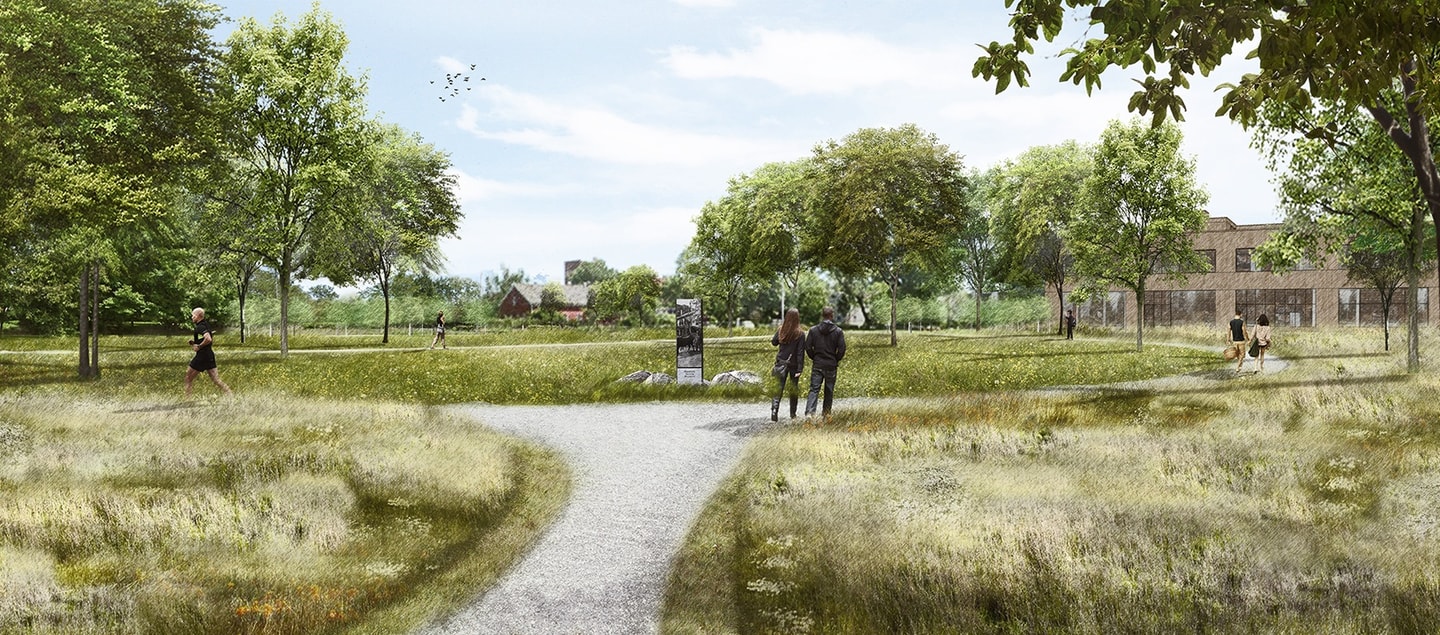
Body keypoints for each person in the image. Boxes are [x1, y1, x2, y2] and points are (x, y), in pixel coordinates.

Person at [804, 306, 847, 418]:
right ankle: (826, 414)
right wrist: (836, 359)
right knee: (829, 390)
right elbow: (842, 349)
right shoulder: (838, 331)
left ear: (822, 315)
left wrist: (814, 357)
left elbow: (808, 347)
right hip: (831, 365)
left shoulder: (813, 330)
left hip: (818, 364)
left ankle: (810, 413)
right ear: (832, 315)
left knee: (814, 389)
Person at [185, 307, 232, 397]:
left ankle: (188, 400)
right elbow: (206, 339)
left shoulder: (200, 327)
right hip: (209, 355)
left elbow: (208, 339)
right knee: (216, 379)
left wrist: (199, 346)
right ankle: (230, 395)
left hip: (201, 357)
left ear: (198, 316)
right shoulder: (206, 325)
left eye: (193, 315)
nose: (192, 317)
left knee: (188, 378)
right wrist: (194, 343)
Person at [769, 308, 806, 421]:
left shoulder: (781, 330)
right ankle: (793, 414)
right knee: (793, 389)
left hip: (781, 363)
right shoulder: (800, 333)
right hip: (794, 365)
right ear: (797, 318)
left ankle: (774, 410)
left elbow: (774, 342)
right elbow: (800, 352)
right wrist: (800, 368)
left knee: (778, 388)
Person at [1228, 309, 1249, 374]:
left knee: (1237, 354)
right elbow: (1244, 332)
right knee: (1242, 354)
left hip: (1235, 341)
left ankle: (1239, 365)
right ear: (1241, 314)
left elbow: (1228, 332)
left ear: (1235, 314)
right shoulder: (1242, 322)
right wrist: (1248, 339)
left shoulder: (1230, 322)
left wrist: (1228, 339)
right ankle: (1238, 367)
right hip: (1241, 341)